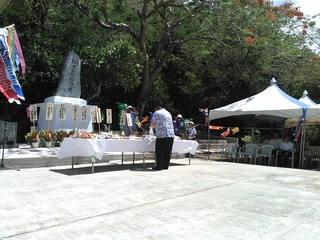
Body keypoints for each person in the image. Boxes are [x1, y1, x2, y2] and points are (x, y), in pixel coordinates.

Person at [150, 106, 175, 170]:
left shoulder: (157, 113)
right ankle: (165, 166)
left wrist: (153, 129)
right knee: (168, 151)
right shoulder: (168, 113)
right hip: (171, 134)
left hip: (161, 134)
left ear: (156, 109)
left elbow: (152, 123)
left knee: (160, 151)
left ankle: (159, 166)